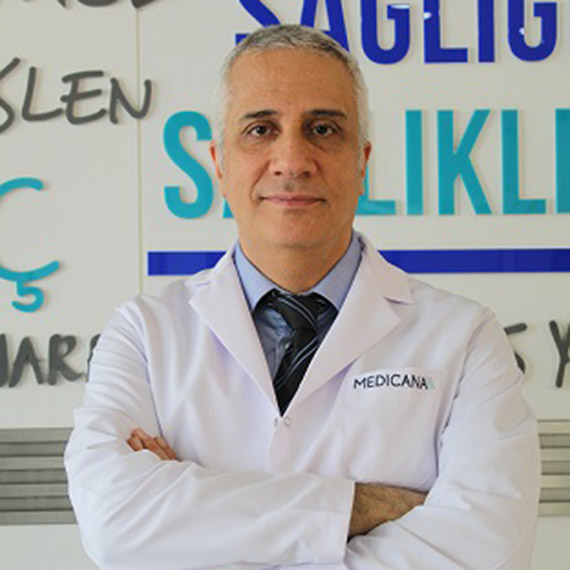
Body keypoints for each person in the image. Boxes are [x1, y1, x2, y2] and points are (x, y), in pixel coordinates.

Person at [65, 24, 540, 569]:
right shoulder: (145, 334)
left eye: (322, 129)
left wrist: (193, 523)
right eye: (261, 129)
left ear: (362, 162)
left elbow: (483, 552)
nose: (291, 160)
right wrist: (359, 506)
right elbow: (114, 521)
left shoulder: (465, 338)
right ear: (219, 164)